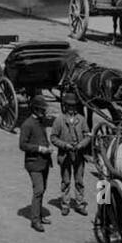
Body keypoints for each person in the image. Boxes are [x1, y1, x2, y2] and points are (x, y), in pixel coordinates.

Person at [50, 92, 90, 216]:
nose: (72, 108)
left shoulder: (82, 119)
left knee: (79, 181)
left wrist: (81, 145)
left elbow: (87, 136)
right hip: (65, 155)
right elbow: (53, 137)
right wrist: (64, 145)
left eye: (74, 106)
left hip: (79, 155)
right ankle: (65, 204)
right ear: (65, 106)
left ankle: (79, 204)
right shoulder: (59, 120)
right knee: (66, 181)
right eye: (69, 106)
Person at [19, 95, 53, 233]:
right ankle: (35, 221)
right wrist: (40, 148)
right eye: (42, 110)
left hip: (44, 162)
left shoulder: (40, 121)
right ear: (36, 110)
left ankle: (38, 215)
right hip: (33, 163)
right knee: (38, 190)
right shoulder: (27, 124)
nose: (44, 112)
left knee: (43, 189)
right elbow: (22, 145)